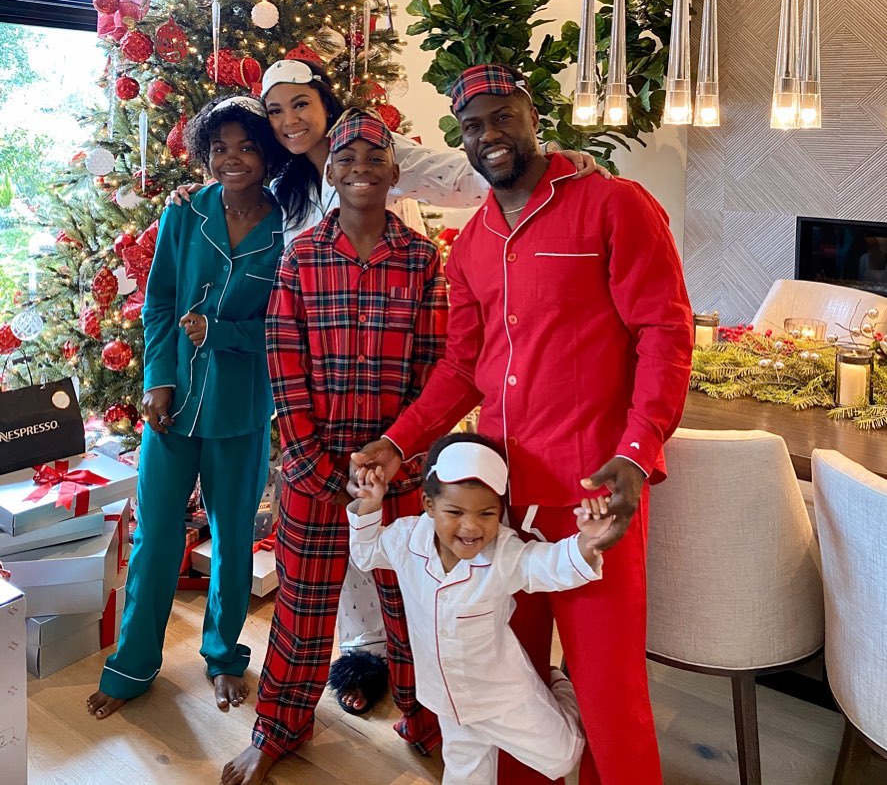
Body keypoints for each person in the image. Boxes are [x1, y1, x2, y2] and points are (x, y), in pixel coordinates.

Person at [169, 58, 609, 714]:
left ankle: (424, 711)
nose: (290, 119)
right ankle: (347, 664)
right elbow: (276, 324)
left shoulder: (412, 237)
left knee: (405, 580)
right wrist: (193, 191)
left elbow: (466, 174)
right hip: (318, 422)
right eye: (277, 110)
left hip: (392, 420)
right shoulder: (287, 194)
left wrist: (552, 166)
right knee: (318, 583)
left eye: (301, 103)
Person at [353, 64, 695, 785]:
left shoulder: (613, 204)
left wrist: (638, 451)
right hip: (499, 508)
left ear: (533, 116)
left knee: (607, 692)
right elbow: (462, 366)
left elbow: (664, 332)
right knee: (514, 684)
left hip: (592, 496)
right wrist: (397, 440)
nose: (490, 134)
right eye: (472, 125)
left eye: (502, 115)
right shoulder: (472, 243)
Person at [221, 109, 447, 785]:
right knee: (301, 607)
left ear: (394, 173)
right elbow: (284, 365)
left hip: (397, 473)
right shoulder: (300, 258)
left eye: (375, 158)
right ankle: (279, 728)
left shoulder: (421, 260)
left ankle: (428, 720)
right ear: (329, 174)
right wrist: (311, 464)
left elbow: (432, 370)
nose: (360, 169)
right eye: (345, 159)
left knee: (411, 605)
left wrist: (400, 459)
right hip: (313, 468)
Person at [87, 96, 285, 719]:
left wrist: (223, 332)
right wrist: (158, 381)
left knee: (232, 538)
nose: (232, 159)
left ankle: (224, 657)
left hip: (242, 408)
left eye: (246, 147)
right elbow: (159, 303)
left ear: (268, 153)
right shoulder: (184, 212)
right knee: (153, 537)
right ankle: (131, 665)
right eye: (219, 148)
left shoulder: (288, 227)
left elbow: (288, 327)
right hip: (171, 407)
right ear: (205, 154)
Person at [349, 433, 613, 784]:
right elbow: (366, 552)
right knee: (465, 773)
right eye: (455, 512)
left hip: (501, 696)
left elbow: (546, 564)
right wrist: (369, 505)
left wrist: (587, 542)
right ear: (429, 504)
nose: (471, 526)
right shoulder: (407, 540)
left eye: (486, 513)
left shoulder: (502, 553)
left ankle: (558, 683)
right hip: (445, 696)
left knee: (561, 758)